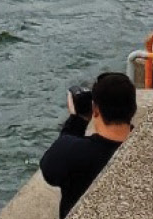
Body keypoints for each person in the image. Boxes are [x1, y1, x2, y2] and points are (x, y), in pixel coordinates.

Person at [40, 72, 136, 217]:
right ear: (133, 108)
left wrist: (78, 119)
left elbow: (50, 172)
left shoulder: (75, 152)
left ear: (96, 109)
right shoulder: (141, 148)